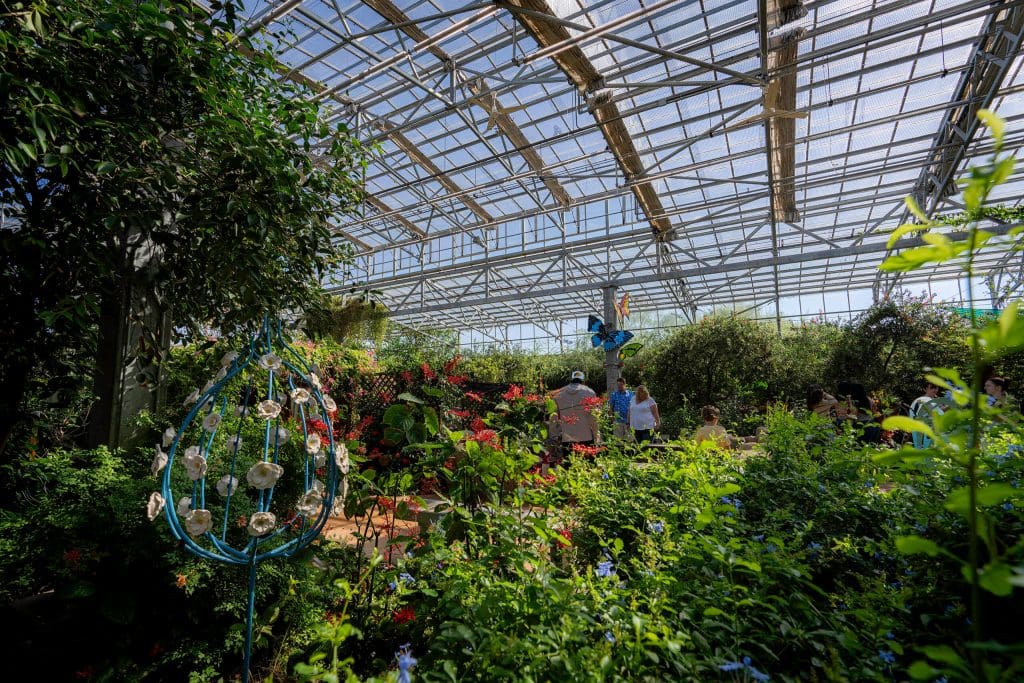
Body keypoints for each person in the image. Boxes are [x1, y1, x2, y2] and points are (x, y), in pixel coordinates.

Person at [553, 370, 599, 448]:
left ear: (571, 379)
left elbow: (555, 415)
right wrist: (596, 435)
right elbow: (593, 416)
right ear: (583, 380)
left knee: (568, 459)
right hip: (585, 435)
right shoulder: (589, 392)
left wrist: (555, 435)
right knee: (585, 458)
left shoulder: (559, 394)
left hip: (567, 436)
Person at [908, 382, 943, 448]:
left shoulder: (926, 400)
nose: (934, 390)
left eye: (935, 388)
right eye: (931, 388)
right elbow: (937, 414)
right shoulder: (925, 400)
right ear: (925, 389)